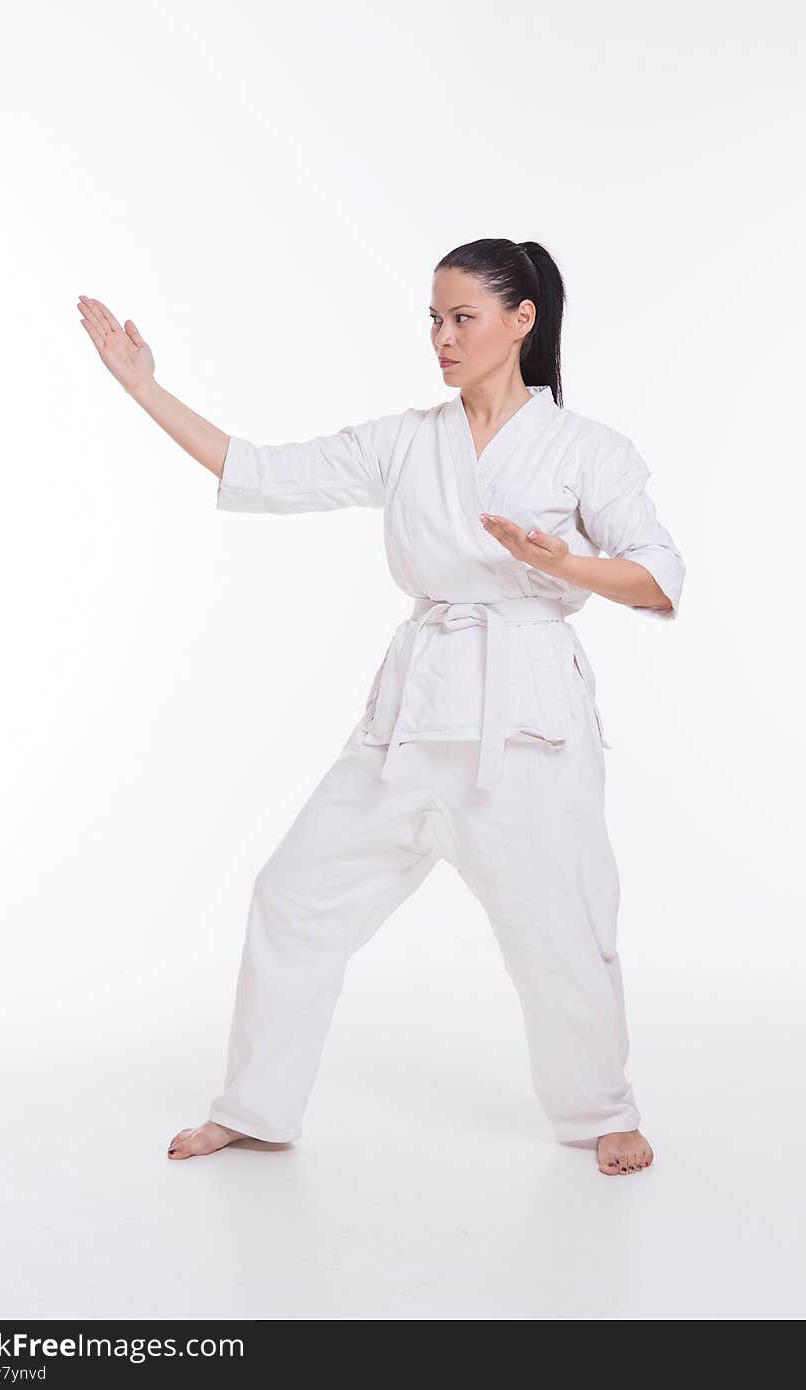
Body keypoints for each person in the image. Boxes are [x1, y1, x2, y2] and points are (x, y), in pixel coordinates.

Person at [77, 238, 685, 1177]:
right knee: (294, 896)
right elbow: (262, 472)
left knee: (562, 923)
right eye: (433, 320)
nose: (441, 337)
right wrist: (144, 389)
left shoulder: (588, 451)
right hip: (412, 716)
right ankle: (257, 1107)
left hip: (528, 715)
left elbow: (655, 577)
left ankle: (602, 1110)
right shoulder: (407, 440)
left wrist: (563, 564)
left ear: (522, 320)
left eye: (461, 318)